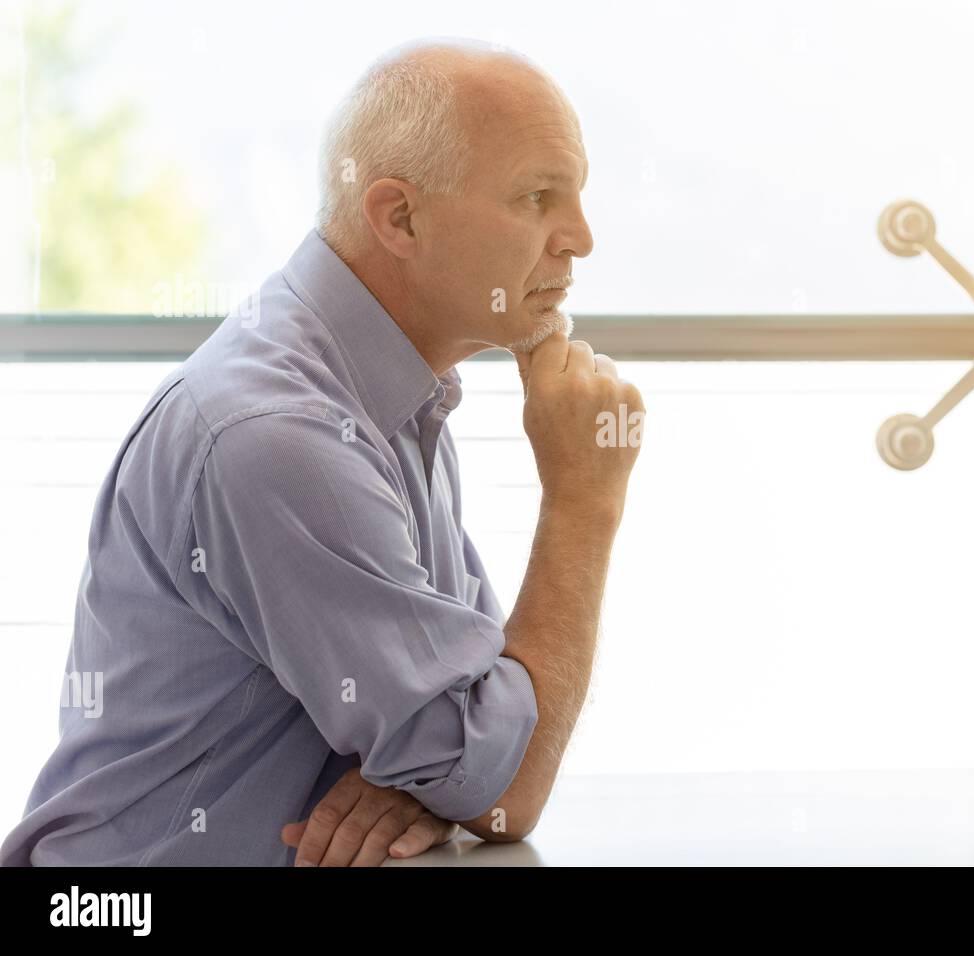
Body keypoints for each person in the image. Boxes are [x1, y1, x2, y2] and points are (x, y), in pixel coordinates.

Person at [1, 37, 643, 866]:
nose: (580, 239)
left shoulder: (383, 389)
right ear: (399, 217)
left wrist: (425, 774)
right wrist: (585, 501)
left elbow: (484, 719)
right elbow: (502, 788)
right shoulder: (281, 437)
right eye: (537, 197)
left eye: (577, 195)